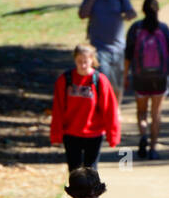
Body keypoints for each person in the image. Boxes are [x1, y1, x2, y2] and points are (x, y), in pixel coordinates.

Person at [50, 44, 121, 173]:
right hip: (71, 132)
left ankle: (92, 194)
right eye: (79, 62)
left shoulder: (100, 80)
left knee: (91, 170)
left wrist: (113, 135)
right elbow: (58, 110)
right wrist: (56, 135)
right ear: (74, 60)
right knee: (74, 170)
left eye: (86, 62)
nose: (82, 65)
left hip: (94, 133)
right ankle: (77, 193)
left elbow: (109, 109)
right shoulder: (64, 80)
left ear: (92, 60)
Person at [123, 0, 169, 160]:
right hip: (160, 78)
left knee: (141, 112)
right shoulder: (164, 29)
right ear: (157, 9)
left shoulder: (135, 29)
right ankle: (153, 147)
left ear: (143, 10)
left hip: (140, 77)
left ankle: (143, 134)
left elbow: (128, 56)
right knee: (156, 113)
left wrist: (125, 76)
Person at [78, 0, 137, 99]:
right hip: (99, 49)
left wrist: (128, 14)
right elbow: (83, 14)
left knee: (118, 83)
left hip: (118, 48)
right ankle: (105, 109)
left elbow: (133, 13)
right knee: (104, 80)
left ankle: (116, 109)